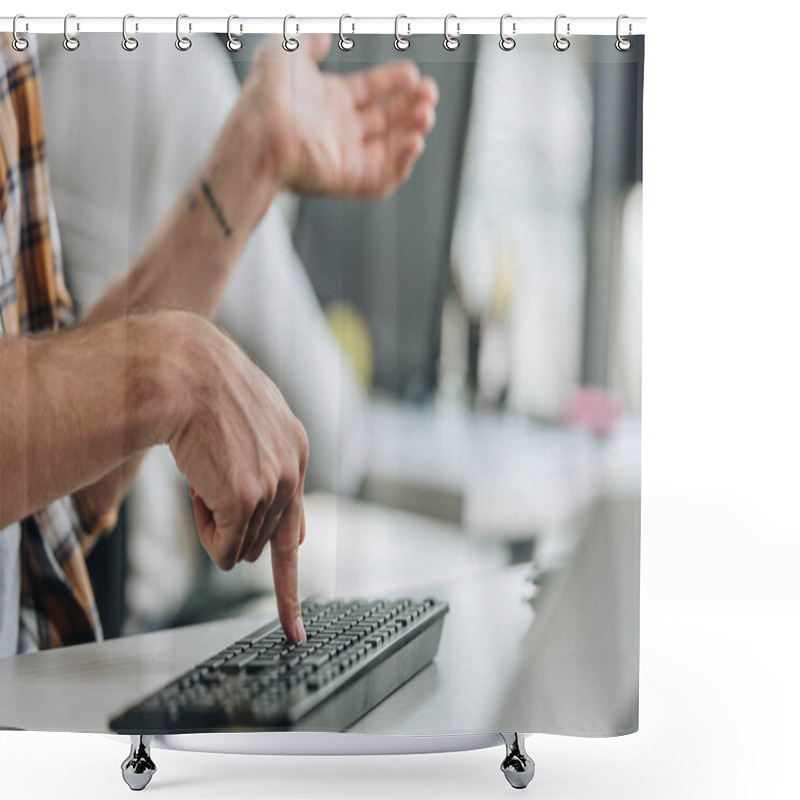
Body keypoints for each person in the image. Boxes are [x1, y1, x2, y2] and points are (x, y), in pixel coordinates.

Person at [0, 32, 438, 657]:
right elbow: (339, 440)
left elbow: (39, 495)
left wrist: (252, 160)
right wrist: (171, 367)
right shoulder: (153, 59)